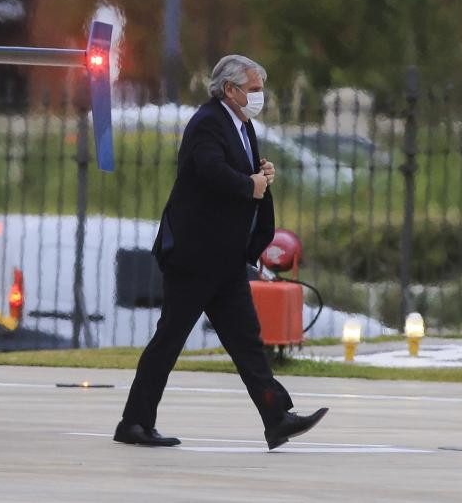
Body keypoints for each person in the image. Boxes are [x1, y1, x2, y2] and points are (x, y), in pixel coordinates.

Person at [114, 54, 328, 451]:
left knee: (247, 342)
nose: (259, 97)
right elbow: (210, 170)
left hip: (225, 260)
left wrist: (261, 174)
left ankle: (276, 419)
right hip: (195, 258)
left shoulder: (243, 126)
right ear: (230, 90)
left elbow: (238, 173)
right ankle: (134, 423)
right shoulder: (208, 122)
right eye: (253, 90)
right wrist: (250, 184)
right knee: (169, 340)